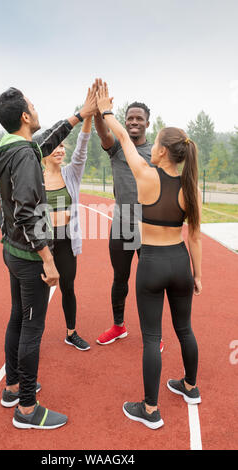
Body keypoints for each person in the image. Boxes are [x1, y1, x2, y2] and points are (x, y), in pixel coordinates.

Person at [0, 86, 96, 430]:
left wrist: (80, 114)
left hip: (12, 250)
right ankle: (28, 409)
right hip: (30, 256)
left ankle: (13, 388)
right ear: (25, 117)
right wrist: (48, 259)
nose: (36, 109)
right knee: (32, 329)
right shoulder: (23, 157)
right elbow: (28, 213)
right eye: (33, 106)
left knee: (18, 317)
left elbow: (43, 143)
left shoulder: (12, 149)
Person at [96, 82, 202, 430]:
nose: (150, 145)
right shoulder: (190, 187)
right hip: (181, 262)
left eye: (155, 143)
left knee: (153, 337)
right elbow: (196, 237)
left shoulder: (145, 175)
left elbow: (124, 141)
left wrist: (106, 109)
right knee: (185, 329)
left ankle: (151, 409)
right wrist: (197, 275)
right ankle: (190, 386)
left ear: (161, 153)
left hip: (153, 263)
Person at [93, 79, 164, 353]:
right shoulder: (117, 148)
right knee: (119, 279)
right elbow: (104, 135)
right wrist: (100, 113)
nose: (134, 122)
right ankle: (118, 326)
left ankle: (153, 334)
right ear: (124, 121)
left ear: (147, 122)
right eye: (130, 118)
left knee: (150, 284)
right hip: (122, 224)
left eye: (139, 118)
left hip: (149, 227)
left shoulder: (157, 153)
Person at [43, 90, 95, 351]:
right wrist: (53, 217)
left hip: (65, 241)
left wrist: (89, 116)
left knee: (68, 286)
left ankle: (71, 332)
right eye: (54, 146)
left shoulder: (71, 175)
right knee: (39, 291)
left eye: (62, 145)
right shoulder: (35, 180)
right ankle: (33, 335)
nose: (60, 150)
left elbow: (83, 147)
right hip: (42, 244)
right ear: (43, 153)